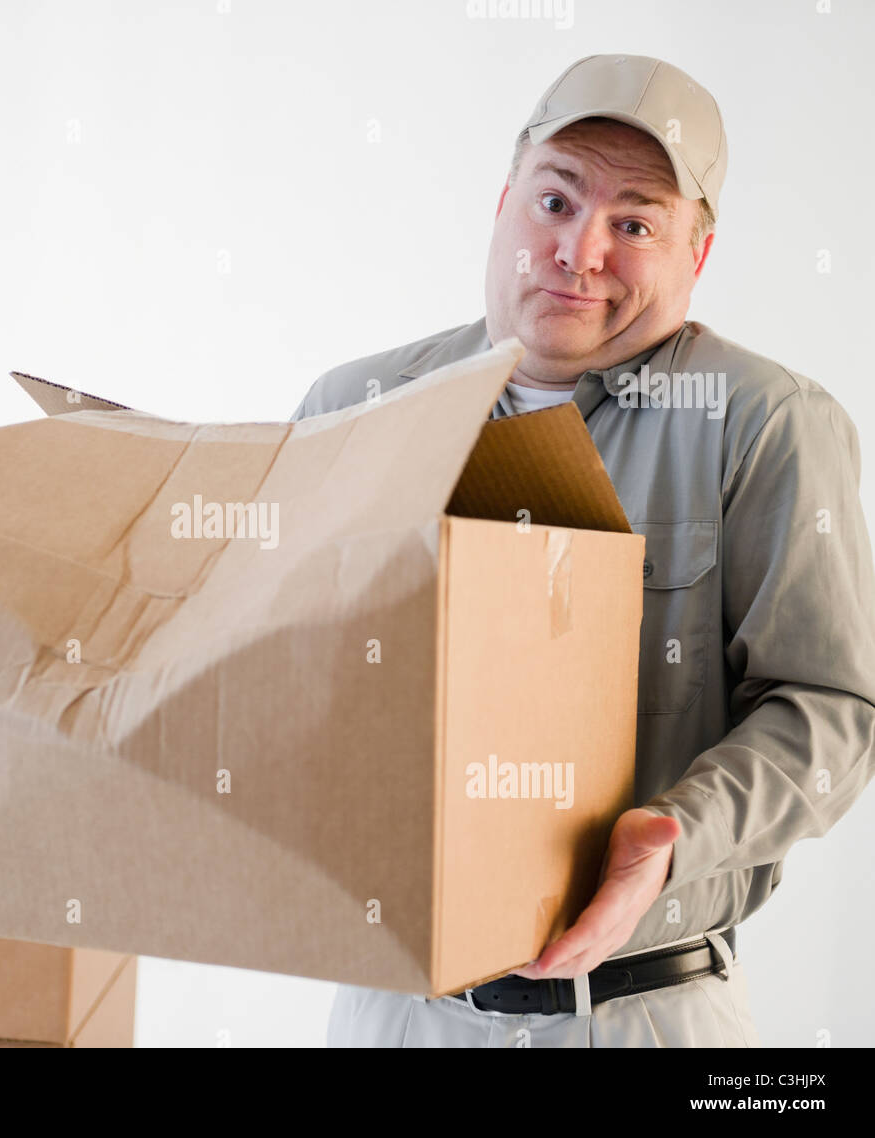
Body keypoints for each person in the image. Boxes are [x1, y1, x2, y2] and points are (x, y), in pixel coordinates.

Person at [291, 54, 875, 1047]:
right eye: (556, 201)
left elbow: (833, 710)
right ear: (502, 203)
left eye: (634, 224)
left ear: (696, 254)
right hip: (391, 1010)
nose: (579, 251)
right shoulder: (357, 406)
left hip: (638, 1011)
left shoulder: (762, 424)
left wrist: (674, 836)